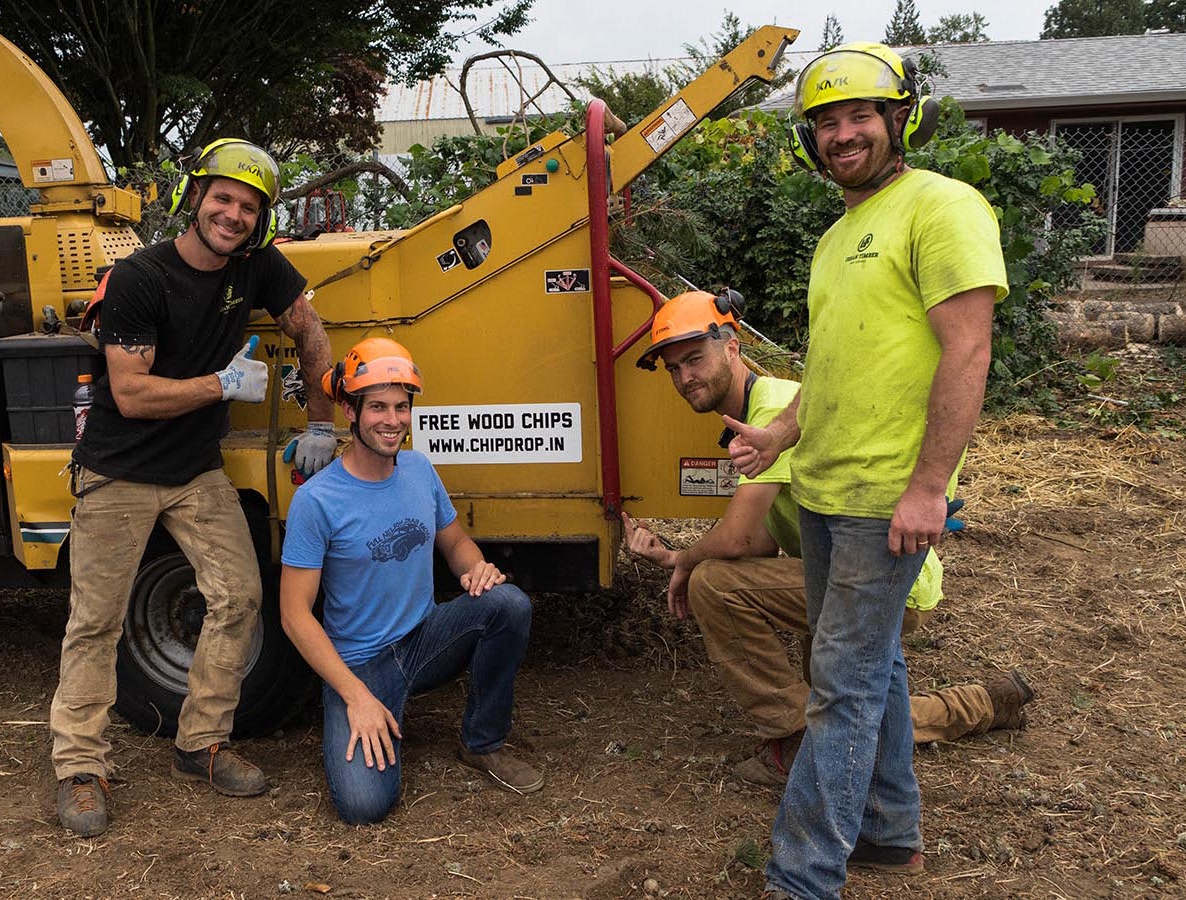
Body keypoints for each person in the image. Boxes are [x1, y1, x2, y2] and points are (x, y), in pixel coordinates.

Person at [723, 44, 1010, 897]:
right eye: (825, 123)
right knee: (872, 672)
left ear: (898, 119)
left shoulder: (941, 206)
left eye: (859, 117)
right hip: (822, 489)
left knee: (840, 686)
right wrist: (781, 432)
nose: (841, 135)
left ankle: (801, 877)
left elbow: (969, 349)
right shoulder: (838, 234)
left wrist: (929, 488)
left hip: (884, 496)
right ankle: (888, 832)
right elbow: (840, 362)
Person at [621, 290, 1033, 788]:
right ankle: (986, 703)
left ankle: (796, 742)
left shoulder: (771, 409)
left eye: (694, 359)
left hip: (880, 573)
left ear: (732, 348)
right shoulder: (758, 409)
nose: (685, 378)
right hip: (848, 570)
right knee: (846, 712)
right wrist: (671, 554)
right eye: (673, 369)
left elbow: (735, 540)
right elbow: (756, 546)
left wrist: (685, 560)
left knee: (713, 586)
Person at [51, 139, 336, 838]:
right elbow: (132, 392)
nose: (233, 215)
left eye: (249, 206)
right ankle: (80, 767)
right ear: (194, 197)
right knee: (97, 619)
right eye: (224, 198)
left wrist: (324, 423)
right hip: (119, 467)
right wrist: (221, 385)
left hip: (194, 469)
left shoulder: (257, 266)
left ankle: (201, 742)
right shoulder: (138, 278)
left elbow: (310, 329)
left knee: (240, 597)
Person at [279, 338, 543, 825]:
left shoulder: (419, 469)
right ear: (350, 412)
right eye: (377, 406)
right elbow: (294, 615)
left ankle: (481, 743)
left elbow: (455, 541)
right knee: (365, 807)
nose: (392, 420)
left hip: (423, 642)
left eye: (401, 406)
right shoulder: (317, 501)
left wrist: (475, 568)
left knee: (508, 603)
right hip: (358, 666)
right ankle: (362, 709)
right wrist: (356, 697)